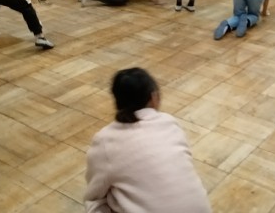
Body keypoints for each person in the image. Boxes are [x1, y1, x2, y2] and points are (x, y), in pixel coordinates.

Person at [84, 67, 211, 213]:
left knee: (104, 198)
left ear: (118, 102)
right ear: (154, 97)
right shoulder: (170, 122)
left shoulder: (105, 140)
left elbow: (94, 195)